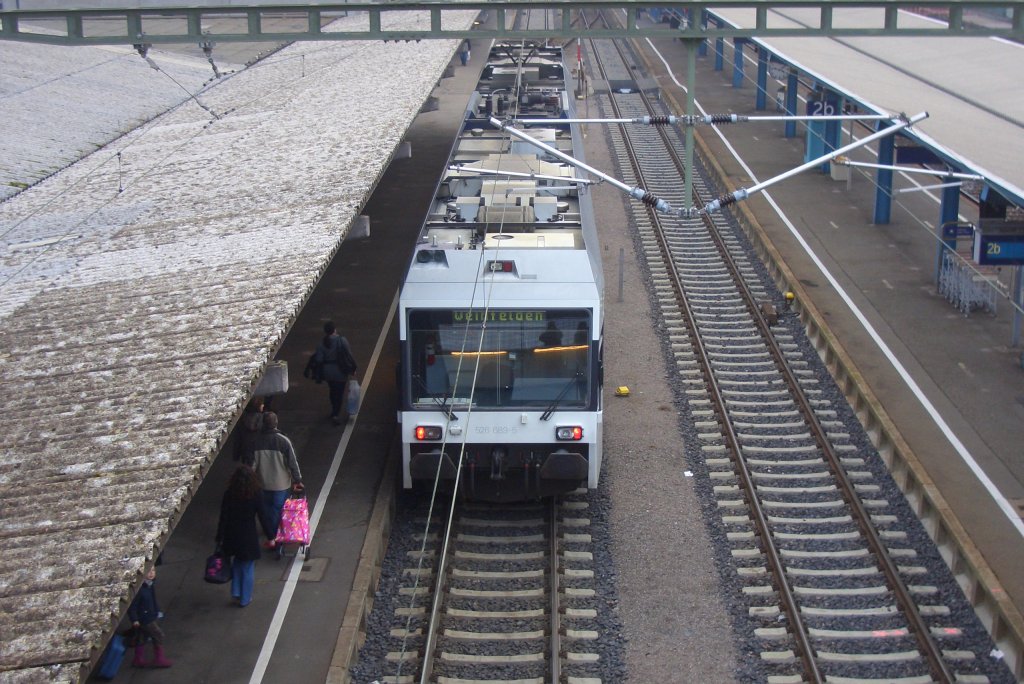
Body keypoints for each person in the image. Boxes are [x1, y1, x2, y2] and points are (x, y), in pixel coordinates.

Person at [251, 412, 303, 550]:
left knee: (267, 511)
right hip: (281, 484)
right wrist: (297, 479)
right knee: (277, 510)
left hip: (263, 483)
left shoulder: (256, 442)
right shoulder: (283, 441)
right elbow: (292, 463)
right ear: (276, 423)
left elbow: (252, 465)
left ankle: (271, 536)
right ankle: (277, 537)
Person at [215, 465, 262, 607]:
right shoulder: (255, 494)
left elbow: (223, 517)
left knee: (236, 562)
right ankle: (245, 598)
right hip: (248, 535)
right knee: (247, 566)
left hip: (231, 534)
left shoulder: (229, 494)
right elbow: (263, 515)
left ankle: (236, 592)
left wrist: (219, 537)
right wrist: (272, 535)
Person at [307, 321, 357, 425]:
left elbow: (319, 359)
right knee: (339, 393)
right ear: (335, 330)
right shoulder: (342, 340)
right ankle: (336, 413)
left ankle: (334, 410)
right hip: (340, 371)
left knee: (332, 390)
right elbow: (349, 355)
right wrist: (353, 368)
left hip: (327, 372)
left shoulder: (322, 343)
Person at [127, 566, 172, 668]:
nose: (151, 573)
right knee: (158, 635)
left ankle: (138, 659)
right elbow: (132, 607)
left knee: (142, 637)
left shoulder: (149, 585)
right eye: (148, 571)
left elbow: (153, 600)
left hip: (148, 616)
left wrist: (156, 610)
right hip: (145, 618)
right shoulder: (139, 590)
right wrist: (134, 619)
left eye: (153, 570)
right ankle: (159, 659)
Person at [233, 396, 264, 465]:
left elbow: (238, 439)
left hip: (245, 451)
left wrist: (236, 455)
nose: (263, 405)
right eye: (261, 404)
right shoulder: (262, 419)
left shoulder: (242, 419)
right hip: (259, 451)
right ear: (257, 406)